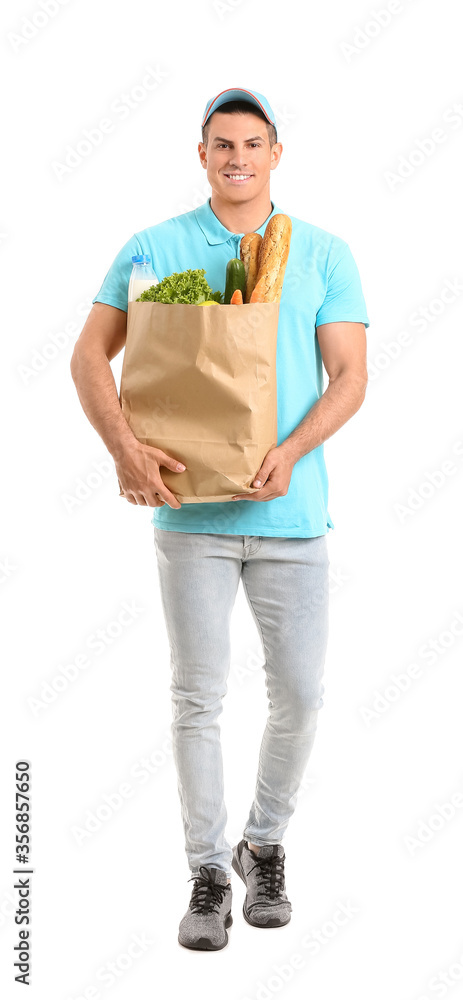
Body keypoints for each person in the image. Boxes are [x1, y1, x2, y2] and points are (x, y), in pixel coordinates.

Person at [70, 86, 370, 952]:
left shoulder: (320, 253)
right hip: (189, 514)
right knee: (196, 696)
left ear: (277, 152)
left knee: (302, 696)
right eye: (220, 144)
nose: (236, 157)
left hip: (293, 511)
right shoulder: (153, 249)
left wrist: (291, 449)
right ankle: (206, 870)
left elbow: (348, 376)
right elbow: (91, 353)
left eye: (251, 143)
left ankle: (261, 842)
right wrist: (125, 449)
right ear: (199, 155)